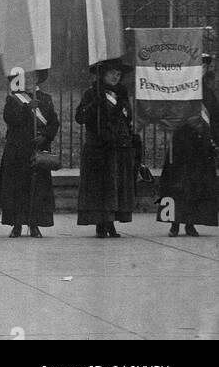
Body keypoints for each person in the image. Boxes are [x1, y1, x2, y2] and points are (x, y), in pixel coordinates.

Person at [75, 57, 140, 237]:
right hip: (99, 147)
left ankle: (111, 222)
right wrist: (94, 104)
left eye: (118, 74)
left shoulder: (122, 94)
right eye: (112, 73)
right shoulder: (92, 93)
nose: (115, 77)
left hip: (119, 147)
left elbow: (126, 119)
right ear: (103, 74)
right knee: (100, 187)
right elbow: (79, 117)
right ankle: (100, 224)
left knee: (116, 186)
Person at [0, 67, 58, 238]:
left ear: (38, 78)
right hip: (17, 150)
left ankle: (34, 225)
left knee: (37, 189)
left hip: (37, 148)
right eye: (26, 76)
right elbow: (10, 119)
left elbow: (54, 123)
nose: (30, 79)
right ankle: (16, 225)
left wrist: (45, 136)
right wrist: (26, 109)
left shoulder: (46, 99)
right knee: (17, 189)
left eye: (33, 76)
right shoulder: (14, 99)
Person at [156, 112, 217, 236]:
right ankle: (175, 225)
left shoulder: (202, 116)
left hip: (197, 157)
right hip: (179, 156)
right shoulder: (180, 115)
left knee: (194, 192)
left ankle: (190, 224)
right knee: (176, 191)